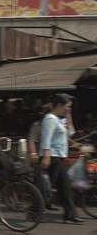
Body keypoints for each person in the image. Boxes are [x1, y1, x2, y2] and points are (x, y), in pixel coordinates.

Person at [39, 93, 83, 224]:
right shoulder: (50, 119)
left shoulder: (59, 119)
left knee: (65, 186)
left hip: (60, 156)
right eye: (67, 107)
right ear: (59, 105)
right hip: (52, 156)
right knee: (46, 186)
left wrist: (68, 116)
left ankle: (70, 214)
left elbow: (71, 133)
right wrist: (46, 155)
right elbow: (46, 138)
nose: (68, 109)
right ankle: (34, 210)